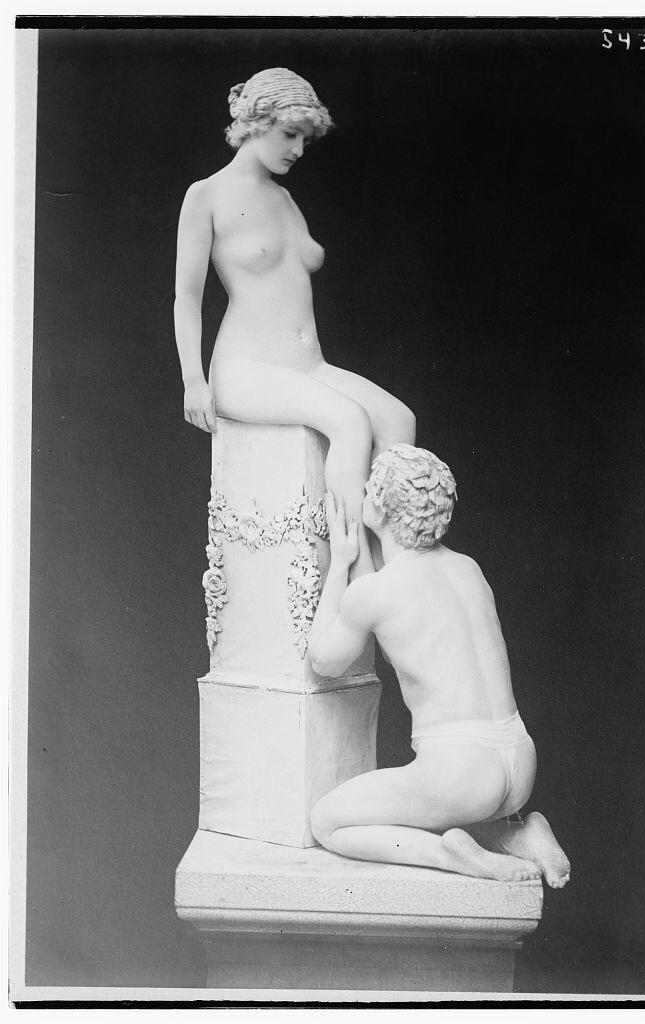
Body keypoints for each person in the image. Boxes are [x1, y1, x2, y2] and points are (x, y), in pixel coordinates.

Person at [174, 68, 415, 576]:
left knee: (398, 420)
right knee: (350, 422)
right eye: (290, 135)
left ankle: (397, 572)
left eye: (305, 139)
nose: (299, 150)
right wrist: (193, 380)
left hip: (307, 365)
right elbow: (187, 296)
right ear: (256, 122)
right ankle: (358, 580)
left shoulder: (284, 199)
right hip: (245, 369)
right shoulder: (206, 196)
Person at [308, 444, 571, 886]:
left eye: (370, 488)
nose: (364, 492)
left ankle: (449, 855)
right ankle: (516, 834)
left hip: (463, 775)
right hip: (519, 762)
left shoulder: (376, 591)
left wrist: (339, 565)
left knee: (327, 821)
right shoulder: (468, 568)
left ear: (381, 508)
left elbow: (323, 660)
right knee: (441, 806)